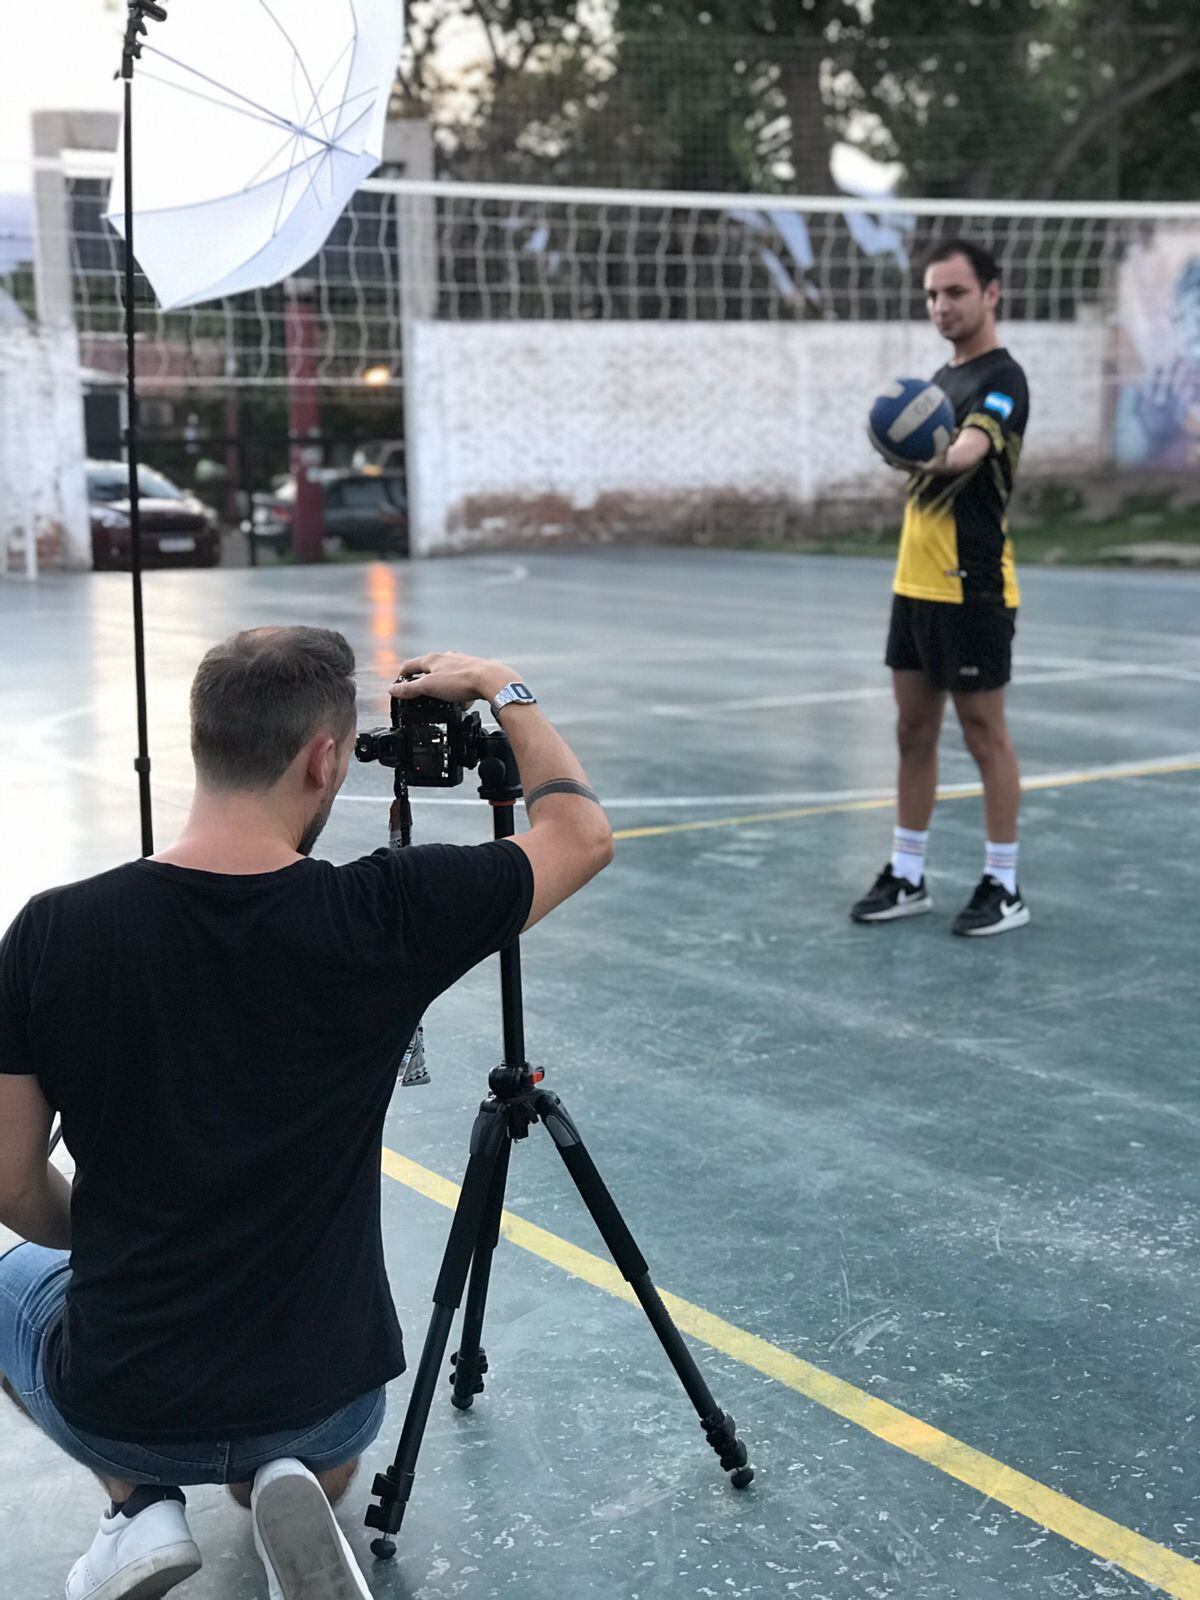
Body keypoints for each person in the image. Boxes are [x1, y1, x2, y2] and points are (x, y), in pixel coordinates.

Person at [0, 628, 613, 1600]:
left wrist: (116, 1242)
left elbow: (14, 1183)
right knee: (309, 1431)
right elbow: (581, 836)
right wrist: (502, 682)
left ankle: (138, 1503)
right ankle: (295, 1481)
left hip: (127, 1400)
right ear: (325, 758)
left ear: (203, 740)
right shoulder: (388, 913)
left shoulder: (54, 930)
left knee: (6, 1284)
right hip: (325, 1401)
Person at [850, 238, 1031, 937]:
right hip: (915, 585)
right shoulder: (937, 382)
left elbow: (966, 452)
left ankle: (1004, 883)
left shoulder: (1004, 380)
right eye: (931, 294)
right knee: (911, 732)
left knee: (985, 735)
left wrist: (918, 450)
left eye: (955, 292)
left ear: (991, 293)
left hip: (973, 585)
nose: (941, 306)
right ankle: (907, 874)